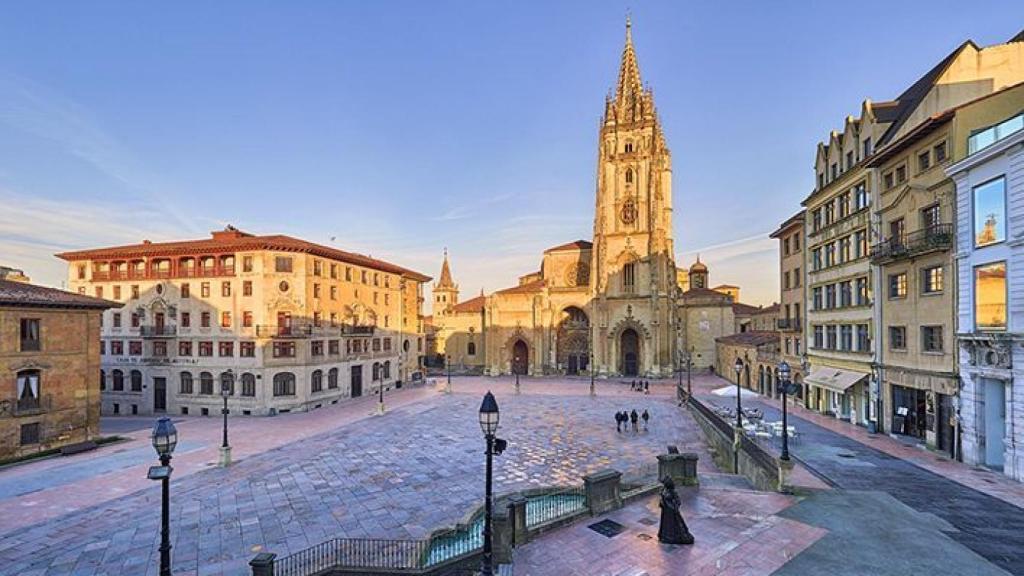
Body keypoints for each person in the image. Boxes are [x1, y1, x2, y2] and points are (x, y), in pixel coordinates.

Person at [657, 476, 694, 545]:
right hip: (666, 511)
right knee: (666, 524)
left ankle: (672, 537)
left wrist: (674, 507)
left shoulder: (672, 492)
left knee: (674, 524)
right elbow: (663, 499)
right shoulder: (663, 490)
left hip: (671, 511)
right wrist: (662, 502)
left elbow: (678, 501)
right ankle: (665, 536)